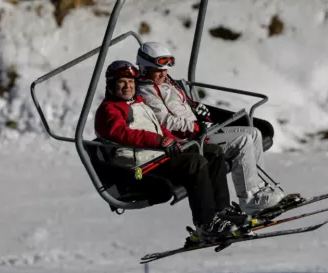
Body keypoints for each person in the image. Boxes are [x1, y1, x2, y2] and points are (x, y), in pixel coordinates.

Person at [134, 42, 293, 217]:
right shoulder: (145, 92)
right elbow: (165, 122)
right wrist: (196, 126)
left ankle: (259, 190)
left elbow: (180, 108)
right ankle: (249, 199)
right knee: (242, 140)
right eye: (158, 70)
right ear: (144, 68)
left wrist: (197, 110)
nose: (163, 73)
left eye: (165, 69)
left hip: (200, 131)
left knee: (254, 133)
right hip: (190, 140)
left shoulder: (167, 83)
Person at [94, 60, 237, 242]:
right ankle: (206, 223)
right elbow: (122, 134)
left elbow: (158, 127)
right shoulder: (109, 110)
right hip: (140, 168)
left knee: (212, 152)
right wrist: (158, 141)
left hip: (156, 157)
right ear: (111, 84)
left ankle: (222, 211)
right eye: (122, 82)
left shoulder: (139, 102)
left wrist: (174, 140)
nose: (127, 86)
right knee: (194, 163)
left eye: (130, 82)